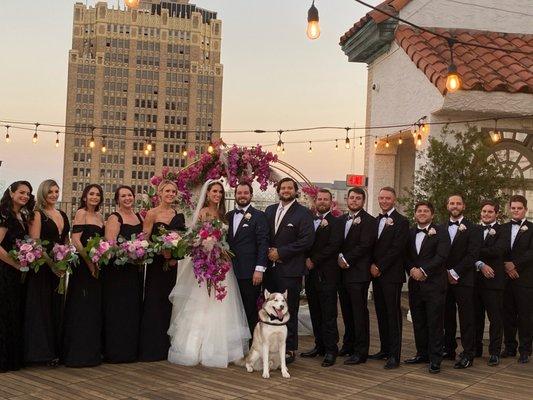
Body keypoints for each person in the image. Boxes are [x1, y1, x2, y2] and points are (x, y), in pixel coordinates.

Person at [167, 180, 250, 368]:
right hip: (207, 266)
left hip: (222, 265)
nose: (218, 194)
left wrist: (220, 249)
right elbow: (195, 237)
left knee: (222, 306)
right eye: (214, 191)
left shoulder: (223, 214)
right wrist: (206, 244)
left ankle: (223, 349)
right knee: (203, 304)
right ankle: (196, 347)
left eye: (220, 192)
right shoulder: (203, 212)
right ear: (208, 193)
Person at [264, 177, 315, 364]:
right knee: (270, 309)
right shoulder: (269, 210)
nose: (286, 190)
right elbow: (263, 235)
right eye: (283, 187)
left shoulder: (303, 213)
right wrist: (268, 252)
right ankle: (271, 346)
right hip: (270, 270)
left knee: (288, 310)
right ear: (278, 190)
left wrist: (281, 252)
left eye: (289, 188)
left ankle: (289, 348)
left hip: (290, 270)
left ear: (295, 191)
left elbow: (306, 240)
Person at [139, 180, 186, 362]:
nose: (170, 194)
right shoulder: (152, 213)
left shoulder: (178, 215)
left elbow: (182, 241)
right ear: (160, 193)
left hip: (172, 265)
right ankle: (151, 348)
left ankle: (165, 347)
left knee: (168, 303)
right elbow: (145, 239)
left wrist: (175, 255)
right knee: (154, 302)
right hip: (156, 265)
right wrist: (160, 249)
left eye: (173, 191)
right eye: (167, 191)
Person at [26, 179, 70, 366]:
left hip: (60, 268)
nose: (53, 194)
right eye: (50, 191)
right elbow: (35, 243)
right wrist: (52, 264)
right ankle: (40, 353)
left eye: (56, 191)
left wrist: (66, 259)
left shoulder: (62, 214)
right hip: (43, 267)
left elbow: (66, 240)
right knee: (41, 308)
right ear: (43, 193)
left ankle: (55, 351)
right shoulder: (37, 214)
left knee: (56, 308)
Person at [404, 201, 449, 374]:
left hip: (434, 285)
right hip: (415, 285)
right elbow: (405, 255)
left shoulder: (441, 232)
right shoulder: (409, 233)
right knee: (419, 321)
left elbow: (441, 256)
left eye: (426, 211)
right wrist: (412, 270)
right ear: (415, 214)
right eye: (419, 211)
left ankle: (435, 359)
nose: (422, 213)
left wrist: (423, 270)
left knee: (435, 323)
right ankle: (422, 353)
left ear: (432, 214)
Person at [62, 184, 105, 367]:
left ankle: (91, 352)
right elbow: (76, 240)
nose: (95, 197)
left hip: (96, 265)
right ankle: (76, 353)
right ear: (85, 197)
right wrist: (88, 261)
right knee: (80, 305)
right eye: (91, 194)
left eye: (98, 194)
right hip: (82, 265)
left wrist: (98, 259)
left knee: (93, 308)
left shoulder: (100, 217)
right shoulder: (81, 213)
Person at [336, 187, 377, 366]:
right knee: (346, 311)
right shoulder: (342, 219)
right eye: (351, 198)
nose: (354, 201)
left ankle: (361, 352)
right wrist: (338, 257)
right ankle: (348, 344)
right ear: (347, 199)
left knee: (359, 313)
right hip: (341, 273)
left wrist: (346, 258)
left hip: (358, 273)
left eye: (358, 198)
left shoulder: (369, 221)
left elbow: (365, 245)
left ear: (363, 201)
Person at [369, 187, 409, 369]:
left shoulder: (402, 222)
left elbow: (397, 248)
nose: (384, 201)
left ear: (394, 200)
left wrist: (380, 266)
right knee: (381, 313)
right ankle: (384, 349)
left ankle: (395, 355)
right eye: (381, 198)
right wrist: (371, 265)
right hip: (375, 275)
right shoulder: (376, 220)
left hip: (391, 275)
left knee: (393, 315)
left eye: (388, 198)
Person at [300, 189, 341, 367]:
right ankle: (320, 346)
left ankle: (331, 350)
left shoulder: (337, 222)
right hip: (310, 276)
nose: (322, 201)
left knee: (329, 313)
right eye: (319, 199)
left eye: (326, 199)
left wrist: (313, 260)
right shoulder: (309, 220)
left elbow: (334, 245)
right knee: (315, 312)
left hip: (327, 274)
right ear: (315, 201)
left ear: (331, 202)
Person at [102, 186, 143, 363]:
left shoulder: (140, 216)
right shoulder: (114, 217)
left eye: (130, 195)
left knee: (132, 308)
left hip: (135, 270)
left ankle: (130, 350)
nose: (127, 198)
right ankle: (115, 351)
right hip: (118, 271)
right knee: (117, 309)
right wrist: (128, 250)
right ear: (117, 199)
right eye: (123, 196)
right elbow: (110, 245)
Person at [442, 194, 481, 369]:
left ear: (464, 206)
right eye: (452, 203)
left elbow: (472, 254)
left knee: (467, 318)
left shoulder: (474, 228)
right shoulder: (440, 227)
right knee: (446, 316)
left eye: (458, 203)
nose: (455, 206)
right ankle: (449, 349)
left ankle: (468, 354)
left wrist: (455, 272)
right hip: (443, 279)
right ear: (447, 206)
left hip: (464, 279)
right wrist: (445, 273)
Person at [226, 182, 269, 336]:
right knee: (232, 309)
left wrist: (259, 269)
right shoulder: (228, 216)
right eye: (239, 193)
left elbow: (263, 243)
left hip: (250, 272)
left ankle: (253, 345)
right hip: (229, 272)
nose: (242, 196)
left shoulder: (259, 216)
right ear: (235, 195)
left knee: (249, 309)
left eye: (245, 193)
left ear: (251, 195)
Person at [0, 181, 34, 372]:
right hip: (5, 270)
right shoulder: (4, 214)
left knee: (14, 312)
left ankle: (13, 358)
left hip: (17, 272)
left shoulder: (22, 215)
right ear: (11, 193)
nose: (25, 196)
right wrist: (15, 264)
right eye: (21, 192)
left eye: (28, 193)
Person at [500, 195, 533, 364]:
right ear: (509, 209)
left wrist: (515, 266)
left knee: (525, 315)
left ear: (525, 209)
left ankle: (525, 349)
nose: (516, 210)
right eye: (513, 208)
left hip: (525, 278)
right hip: (505, 279)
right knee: (508, 314)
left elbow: (531, 253)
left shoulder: (532, 228)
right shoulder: (502, 228)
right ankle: (510, 347)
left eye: (519, 208)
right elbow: (499, 250)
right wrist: (507, 265)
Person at [474, 200, 505, 366]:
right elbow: (466, 252)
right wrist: (480, 264)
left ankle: (494, 352)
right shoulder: (474, 229)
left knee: (495, 318)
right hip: (475, 281)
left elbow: (497, 251)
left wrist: (475, 252)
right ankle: (476, 348)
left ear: (496, 214)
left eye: (490, 212)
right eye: (484, 211)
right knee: (475, 316)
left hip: (494, 282)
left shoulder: (503, 231)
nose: (486, 214)